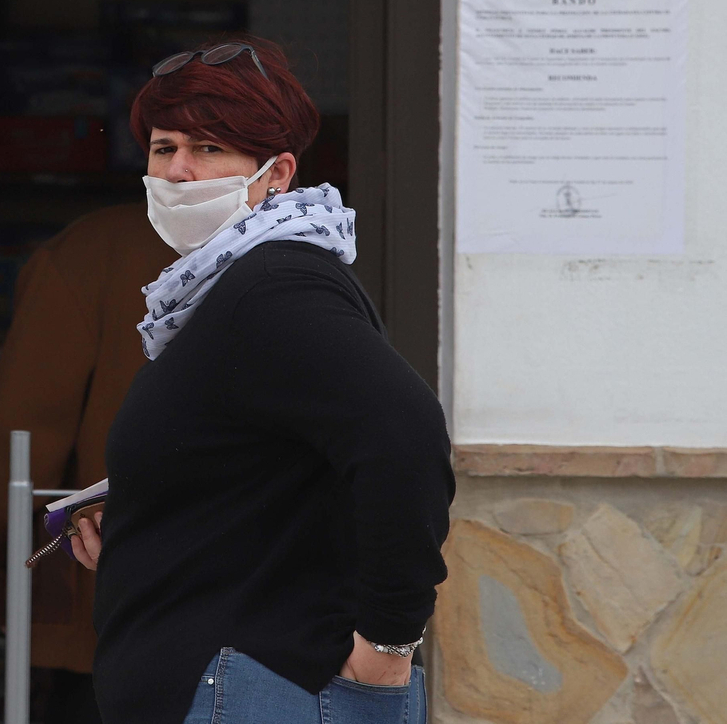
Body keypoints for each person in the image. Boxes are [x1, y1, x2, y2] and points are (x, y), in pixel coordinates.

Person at [68, 37, 455, 724]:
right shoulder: (224, 290)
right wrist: (148, 525)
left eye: (210, 149)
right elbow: (270, 484)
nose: (181, 171)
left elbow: (406, 439)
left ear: (276, 174)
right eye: (164, 149)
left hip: (251, 690)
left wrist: (387, 649)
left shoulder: (275, 286)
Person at [0, 197, 177, 724]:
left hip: (107, 613)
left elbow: (17, 465)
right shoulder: (311, 243)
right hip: (267, 623)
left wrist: (13, 592)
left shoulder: (91, 252)